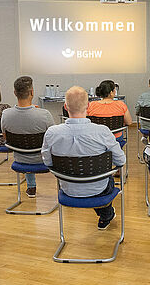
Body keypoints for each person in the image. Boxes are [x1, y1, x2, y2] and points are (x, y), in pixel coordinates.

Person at [42, 87, 126, 229]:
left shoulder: (52, 133)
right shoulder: (102, 132)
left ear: (65, 107)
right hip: (99, 189)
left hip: (68, 188)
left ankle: (106, 214)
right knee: (106, 179)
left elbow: (47, 162)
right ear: (88, 106)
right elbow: (121, 160)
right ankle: (106, 213)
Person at [1, 76, 55, 198]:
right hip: (44, 160)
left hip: (20, 159)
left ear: (15, 93)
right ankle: (65, 187)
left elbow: (6, 139)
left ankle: (31, 187)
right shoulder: (44, 115)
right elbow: (54, 139)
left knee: (26, 149)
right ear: (32, 92)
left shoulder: (6, 115)